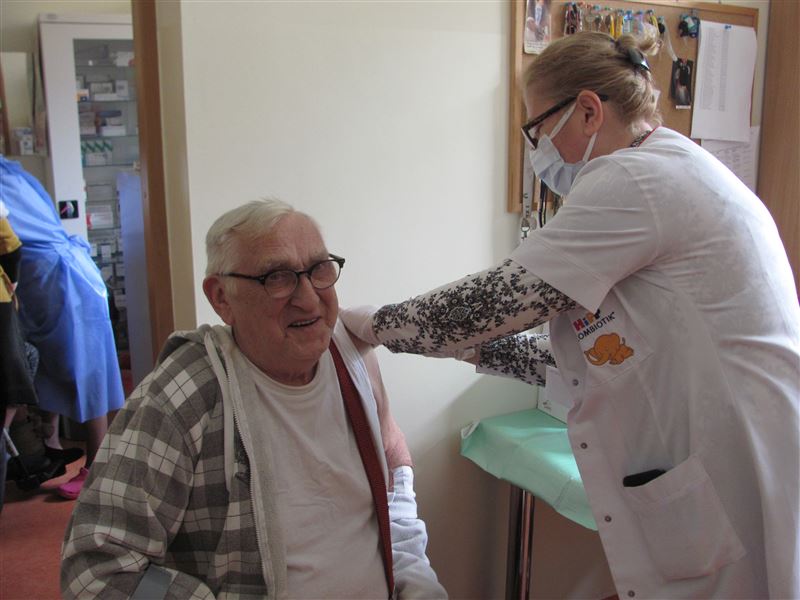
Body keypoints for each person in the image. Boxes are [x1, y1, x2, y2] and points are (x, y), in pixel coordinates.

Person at [341, 32, 800, 599]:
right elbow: (596, 355)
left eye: (537, 129)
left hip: (733, 468)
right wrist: (474, 349)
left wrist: (371, 324)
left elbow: (484, 306)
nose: (538, 150)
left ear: (587, 111)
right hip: (730, 459)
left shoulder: (634, 180)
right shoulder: (669, 172)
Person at [61, 199, 447, 599]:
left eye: (319, 269)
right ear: (221, 298)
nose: (309, 299)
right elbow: (94, 570)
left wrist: (415, 579)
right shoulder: (186, 393)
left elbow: (393, 473)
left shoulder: (353, 357)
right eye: (277, 277)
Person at [0, 156, 121, 499]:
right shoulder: (12, 172)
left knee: (86, 372)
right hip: (47, 279)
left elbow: (10, 243)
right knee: (43, 365)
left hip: (62, 281)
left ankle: (96, 468)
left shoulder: (7, 177)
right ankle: (49, 448)